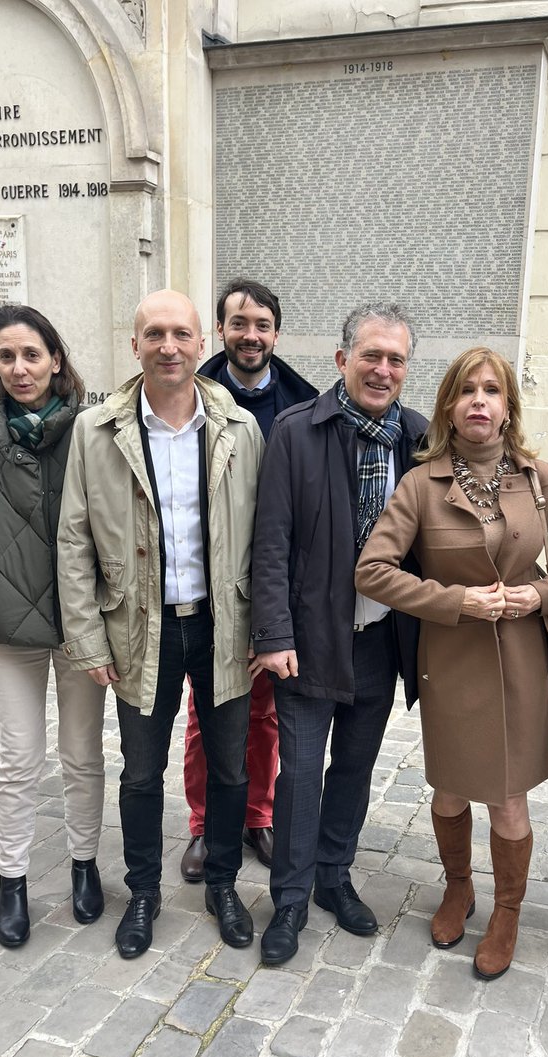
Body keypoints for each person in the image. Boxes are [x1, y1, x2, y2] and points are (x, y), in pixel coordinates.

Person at [356, 347, 548, 980]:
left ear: (508, 406)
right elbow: (373, 571)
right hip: (452, 659)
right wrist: (454, 601)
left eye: (492, 390)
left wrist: (542, 593)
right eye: (467, 391)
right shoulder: (420, 484)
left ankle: (508, 913)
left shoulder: (540, 478)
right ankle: (458, 887)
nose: (480, 401)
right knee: (452, 786)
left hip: (519, 656)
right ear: (449, 408)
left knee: (510, 798)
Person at [57, 289, 264, 958]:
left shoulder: (238, 428)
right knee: (141, 772)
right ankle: (142, 891)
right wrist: (87, 636)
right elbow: (74, 539)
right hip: (138, 631)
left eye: (181, 333)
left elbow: (267, 538)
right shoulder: (97, 432)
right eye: (155, 334)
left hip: (221, 628)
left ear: (202, 343)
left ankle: (223, 883)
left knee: (231, 769)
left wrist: (267, 630)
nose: (168, 346)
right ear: (135, 345)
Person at [251, 302, 428, 966]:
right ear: (342, 359)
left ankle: (333, 877)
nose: (382, 370)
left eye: (395, 359)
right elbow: (269, 546)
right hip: (309, 638)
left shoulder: (419, 439)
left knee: (354, 768)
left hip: (381, 641)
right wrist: (272, 635)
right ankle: (290, 898)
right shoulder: (296, 433)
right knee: (299, 775)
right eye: (371, 356)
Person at [0, 305, 106, 948]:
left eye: (31, 355)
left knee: (82, 754)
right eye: (6, 357)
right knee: (17, 759)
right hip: (8, 623)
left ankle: (85, 865)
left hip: (79, 619)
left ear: (55, 359)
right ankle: (12, 880)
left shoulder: (89, 429)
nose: (19, 368)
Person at [180, 279, 317, 883]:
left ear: (276, 334)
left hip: (270, 588)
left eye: (262, 324)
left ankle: (257, 813)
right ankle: (205, 824)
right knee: (203, 712)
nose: (251, 335)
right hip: (206, 585)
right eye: (239, 323)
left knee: (262, 712)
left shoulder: (303, 403)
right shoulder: (191, 396)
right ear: (221, 331)